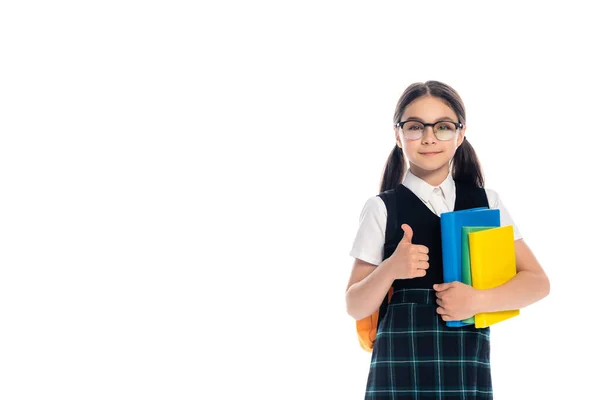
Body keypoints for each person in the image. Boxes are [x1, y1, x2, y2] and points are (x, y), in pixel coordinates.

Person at [345, 80, 550, 399]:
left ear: (461, 133)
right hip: (398, 371)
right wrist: (390, 269)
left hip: (466, 366)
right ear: (398, 135)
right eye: (415, 127)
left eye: (442, 126)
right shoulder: (382, 208)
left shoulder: (487, 203)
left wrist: (477, 301)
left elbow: (538, 282)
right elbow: (355, 304)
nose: (428, 138)